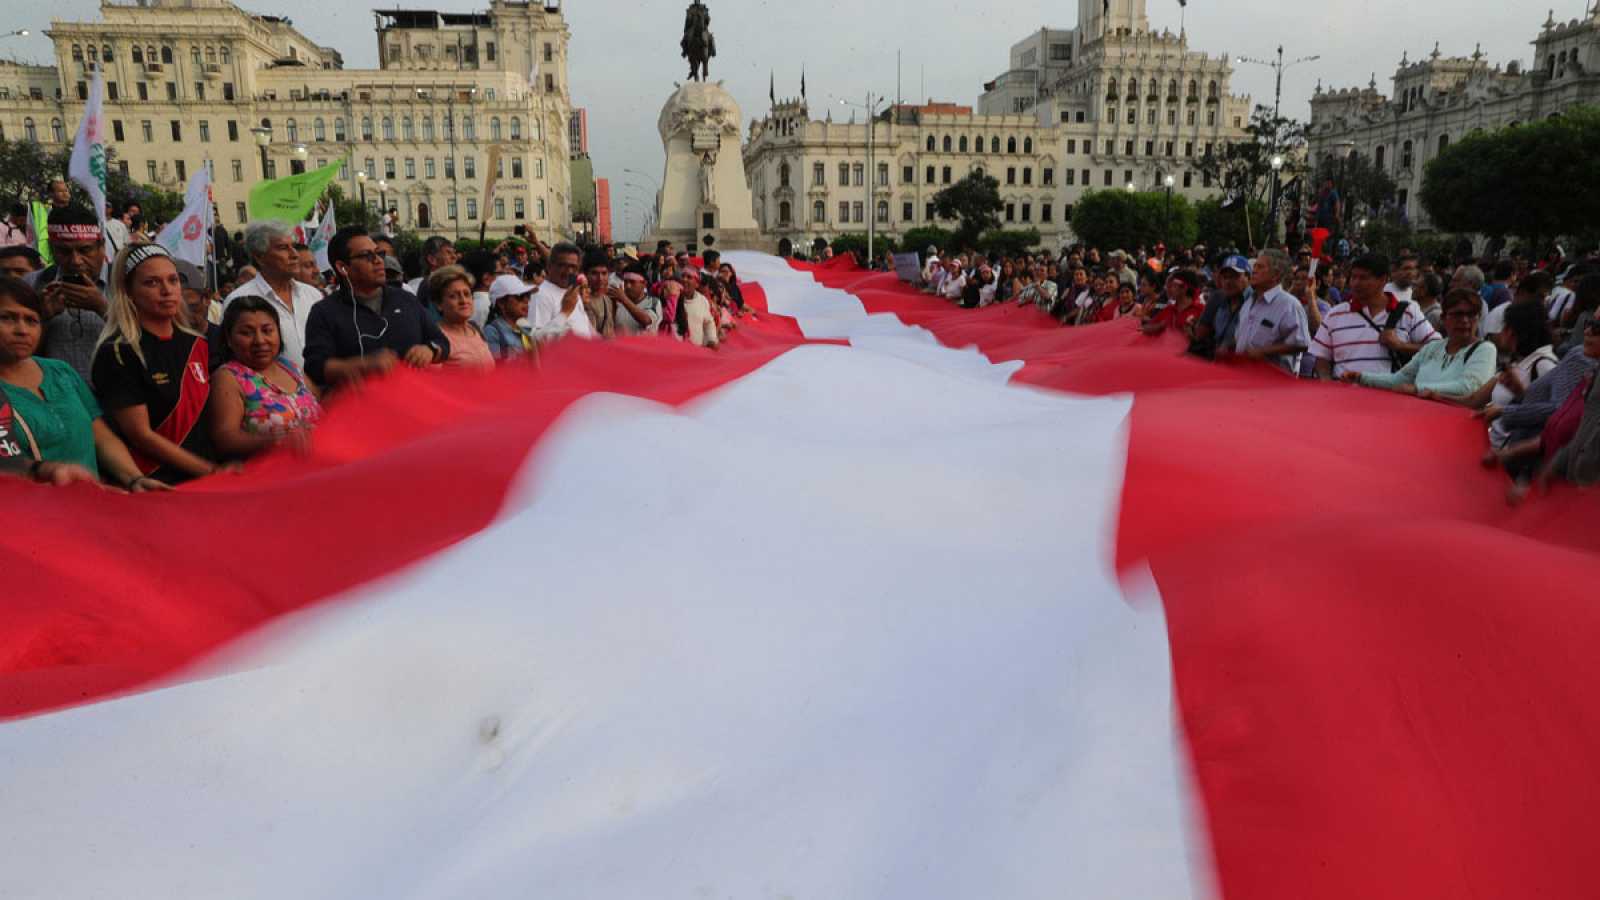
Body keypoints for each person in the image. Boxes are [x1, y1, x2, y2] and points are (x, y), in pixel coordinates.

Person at [0, 275, 165, 491]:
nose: (22, 330)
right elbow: (7, 463)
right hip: (27, 517)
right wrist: (47, 471)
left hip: (88, 510)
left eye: (31, 320)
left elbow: (102, 438)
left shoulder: (61, 372)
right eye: (7, 318)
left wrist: (134, 479)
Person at [90, 243, 221, 485]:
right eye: (152, 283)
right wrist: (209, 470)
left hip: (207, 479)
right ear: (127, 291)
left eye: (173, 280)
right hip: (157, 483)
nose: (167, 290)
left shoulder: (196, 344)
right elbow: (141, 435)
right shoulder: (118, 353)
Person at [303, 227, 451, 386]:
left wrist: (430, 350)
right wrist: (361, 365)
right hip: (360, 407)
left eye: (379, 253)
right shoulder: (324, 312)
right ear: (342, 267)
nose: (379, 261)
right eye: (367, 256)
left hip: (415, 402)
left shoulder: (406, 299)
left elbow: (442, 342)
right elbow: (315, 366)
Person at [207, 296, 322, 460]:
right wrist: (274, 442)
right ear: (229, 339)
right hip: (270, 476)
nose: (260, 341)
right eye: (246, 333)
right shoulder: (228, 377)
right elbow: (225, 439)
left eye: (267, 331)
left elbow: (322, 404)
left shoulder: (291, 368)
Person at [1348, 289, 1495, 401]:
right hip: (1420, 420)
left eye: (1471, 315)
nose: (1464, 320)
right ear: (1443, 319)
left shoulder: (1485, 349)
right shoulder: (1432, 348)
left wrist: (1417, 389)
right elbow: (1398, 380)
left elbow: (1468, 388)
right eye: (1457, 314)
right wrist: (1361, 377)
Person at [1310, 253, 1439, 380]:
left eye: (1363, 278)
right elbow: (1322, 358)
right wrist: (1327, 384)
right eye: (1353, 277)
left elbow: (1438, 349)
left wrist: (1401, 345)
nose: (1355, 283)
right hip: (1343, 396)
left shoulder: (1408, 312)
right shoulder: (1335, 315)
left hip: (1391, 396)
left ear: (1383, 280)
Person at [223, 221, 323, 369]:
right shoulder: (240, 299)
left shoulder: (312, 294)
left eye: (293, 247)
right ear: (259, 257)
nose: (294, 254)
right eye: (283, 248)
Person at [1233, 249, 1311, 373]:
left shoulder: (1289, 304)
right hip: (1242, 376)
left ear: (1276, 275)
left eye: (1260, 267)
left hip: (1271, 382)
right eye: (1254, 266)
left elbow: (1302, 343)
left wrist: (1264, 351)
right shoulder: (1248, 302)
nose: (1254, 270)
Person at [428, 265, 494, 371]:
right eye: (453, 296)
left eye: (467, 294)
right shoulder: (436, 338)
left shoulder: (475, 329)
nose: (463, 301)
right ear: (439, 304)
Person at [528, 241, 594, 341]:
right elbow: (536, 340)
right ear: (549, 266)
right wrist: (564, 312)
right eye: (562, 265)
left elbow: (587, 328)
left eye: (573, 267)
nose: (569, 271)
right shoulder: (540, 295)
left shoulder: (572, 291)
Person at [1190, 255, 1252, 358]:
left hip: (1243, 365)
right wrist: (1192, 329)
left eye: (1234, 276)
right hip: (1216, 363)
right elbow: (1201, 332)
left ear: (1248, 277)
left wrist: (1229, 345)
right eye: (1225, 277)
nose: (1228, 282)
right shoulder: (1217, 297)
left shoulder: (1257, 302)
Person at [482, 275, 538, 361]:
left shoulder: (525, 331)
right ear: (501, 303)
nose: (526, 300)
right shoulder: (492, 332)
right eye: (520, 296)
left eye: (528, 295)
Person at [1142, 269, 1206, 337]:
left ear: (1184, 288)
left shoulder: (1201, 310)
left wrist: (1192, 334)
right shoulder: (1169, 309)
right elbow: (1145, 328)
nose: (1169, 289)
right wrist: (1159, 326)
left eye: (1173, 285)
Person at [405, 236, 458, 308]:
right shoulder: (430, 286)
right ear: (432, 259)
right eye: (448, 252)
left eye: (454, 253)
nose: (454, 257)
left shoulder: (453, 282)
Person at [612, 266, 663, 336]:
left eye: (632, 282)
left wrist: (623, 299)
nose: (628, 286)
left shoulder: (654, 302)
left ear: (644, 284)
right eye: (625, 282)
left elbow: (646, 320)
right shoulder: (618, 302)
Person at [679, 271, 719, 348]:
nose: (684, 279)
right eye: (682, 276)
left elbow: (709, 323)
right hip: (675, 350)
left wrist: (712, 340)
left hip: (696, 352)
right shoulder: (673, 297)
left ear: (696, 284)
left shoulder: (703, 300)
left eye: (689, 277)